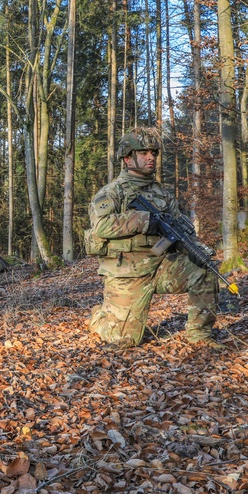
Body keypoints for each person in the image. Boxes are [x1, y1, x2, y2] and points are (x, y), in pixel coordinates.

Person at [86, 127, 224, 350]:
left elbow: (181, 231)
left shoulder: (162, 194)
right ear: (127, 158)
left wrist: (198, 250)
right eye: (144, 153)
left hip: (160, 266)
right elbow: (100, 226)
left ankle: (200, 335)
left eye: (154, 153)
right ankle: (99, 316)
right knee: (125, 341)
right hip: (126, 274)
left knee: (204, 270)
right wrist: (142, 220)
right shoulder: (112, 192)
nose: (151, 157)